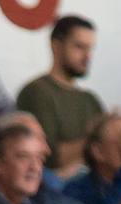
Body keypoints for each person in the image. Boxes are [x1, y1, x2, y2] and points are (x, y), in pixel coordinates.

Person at [14, 15, 102, 172]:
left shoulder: (91, 99)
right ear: (56, 46)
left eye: (90, 49)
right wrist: (99, 138)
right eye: (80, 47)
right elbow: (49, 157)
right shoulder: (36, 91)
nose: (87, 56)